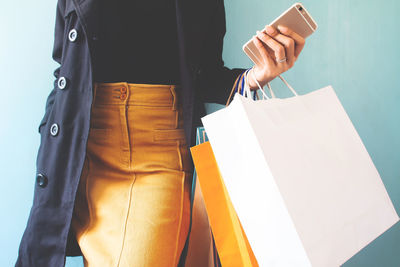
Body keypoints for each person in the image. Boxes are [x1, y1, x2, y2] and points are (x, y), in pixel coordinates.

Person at [15, 0, 305, 266]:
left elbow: (205, 74)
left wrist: (254, 77)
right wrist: (48, 140)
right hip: (76, 156)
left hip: (155, 158)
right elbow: (64, 68)